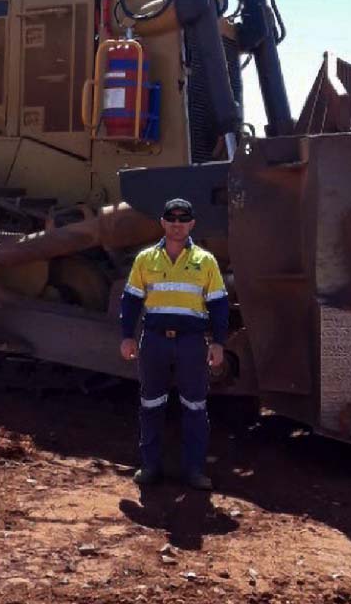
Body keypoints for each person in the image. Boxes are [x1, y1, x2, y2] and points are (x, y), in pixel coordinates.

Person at [119, 197, 229, 490]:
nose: (177, 224)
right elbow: (130, 300)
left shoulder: (205, 261)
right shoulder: (146, 259)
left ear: (191, 224)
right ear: (163, 223)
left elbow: (218, 304)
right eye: (172, 218)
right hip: (154, 341)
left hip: (191, 343)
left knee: (195, 406)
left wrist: (218, 343)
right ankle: (150, 466)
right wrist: (127, 335)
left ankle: (193, 470)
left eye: (183, 219)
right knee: (150, 404)